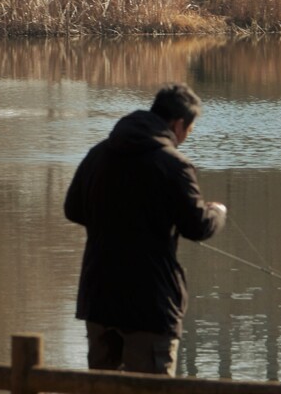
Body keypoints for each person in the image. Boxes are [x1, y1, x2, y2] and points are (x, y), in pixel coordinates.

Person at [64, 82, 227, 376]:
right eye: (189, 131)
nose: (185, 139)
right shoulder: (173, 164)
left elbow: (72, 209)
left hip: (99, 298)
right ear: (179, 124)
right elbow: (197, 226)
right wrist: (217, 212)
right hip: (150, 305)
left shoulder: (99, 154)